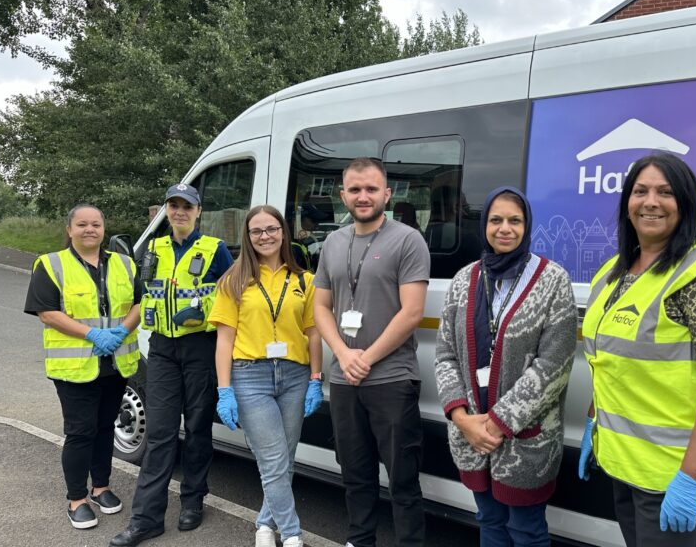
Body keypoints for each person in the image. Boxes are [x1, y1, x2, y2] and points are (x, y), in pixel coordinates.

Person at [578, 153, 696, 547]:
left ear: (685, 204)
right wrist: (594, 422)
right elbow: (609, 361)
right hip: (627, 466)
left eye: (665, 192)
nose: (650, 202)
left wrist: (691, 479)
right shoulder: (613, 272)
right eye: (640, 192)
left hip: (677, 475)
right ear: (627, 203)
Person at [434, 187, 577, 546]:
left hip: (525, 440)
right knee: (490, 522)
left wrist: (497, 424)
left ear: (527, 226)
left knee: (526, 531)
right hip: (471, 436)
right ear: (484, 224)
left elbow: (554, 365)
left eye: (515, 220)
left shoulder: (552, 279)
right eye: (496, 220)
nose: (505, 229)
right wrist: (463, 419)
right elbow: (445, 355)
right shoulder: (464, 280)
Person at [313, 157, 430, 547]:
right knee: (355, 471)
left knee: (402, 477)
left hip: (392, 378)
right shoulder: (333, 242)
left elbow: (412, 312)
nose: (363, 197)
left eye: (372, 189)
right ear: (343, 195)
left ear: (387, 194)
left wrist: (365, 356)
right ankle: (360, 539)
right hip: (345, 378)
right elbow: (320, 307)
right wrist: (343, 356)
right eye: (356, 189)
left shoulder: (408, 239)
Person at [111, 183, 233, 546]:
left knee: (197, 429)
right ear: (166, 210)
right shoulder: (152, 249)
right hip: (163, 349)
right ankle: (146, 518)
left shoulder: (216, 250)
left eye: (186, 206)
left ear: (198, 212)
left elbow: (233, 298)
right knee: (161, 434)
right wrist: (118, 333)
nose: (179, 212)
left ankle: (193, 501)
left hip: (200, 348)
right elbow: (139, 296)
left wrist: (202, 310)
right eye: (173, 206)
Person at [209, 205, 323, 547]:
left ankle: (263, 523)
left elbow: (314, 334)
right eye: (257, 231)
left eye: (271, 229)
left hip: (294, 375)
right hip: (250, 376)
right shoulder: (233, 280)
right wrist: (224, 389)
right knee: (272, 459)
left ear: (283, 233)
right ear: (248, 236)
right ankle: (291, 534)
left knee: (284, 458)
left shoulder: (305, 280)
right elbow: (224, 340)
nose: (265, 236)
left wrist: (316, 378)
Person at [24, 204, 140, 529]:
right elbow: (46, 311)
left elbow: (138, 303)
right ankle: (76, 499)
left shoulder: (125, 264)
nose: (90, 229)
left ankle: (101, 487)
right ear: (70, 229)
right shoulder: (51, 264)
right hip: (75, 367)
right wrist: (91, 333)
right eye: (82, 224)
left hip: (115, 363)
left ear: (104, 228)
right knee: (80, 432)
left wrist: (121, 331)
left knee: (106, 428)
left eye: (96, 224)